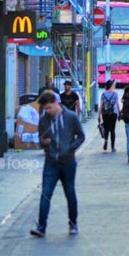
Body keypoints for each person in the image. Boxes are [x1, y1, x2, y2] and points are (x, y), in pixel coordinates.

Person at [30, 90, 85, 237]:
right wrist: (44, 142)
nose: (47, 111)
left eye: (49, 107)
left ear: (56, 103)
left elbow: (81, 136)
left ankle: (73, 223)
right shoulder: (44, 121)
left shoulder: (71, 117)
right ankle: (41, 227)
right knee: (46, 193)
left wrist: (71, 148)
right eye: (45, 109)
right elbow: (41, 140)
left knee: (70, 192)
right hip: (51, 162)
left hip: (68, 162)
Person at [99, 80, 120, 152]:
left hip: (105, 114)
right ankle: (112, 147)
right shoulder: (115, 94)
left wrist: (99, 115)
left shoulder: (103, 94)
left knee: (106, 129)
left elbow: (101, 105)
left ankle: (106, 140)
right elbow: (117, 104)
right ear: (111, 86)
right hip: (113, 113)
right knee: (112, 130)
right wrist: (119, 113)